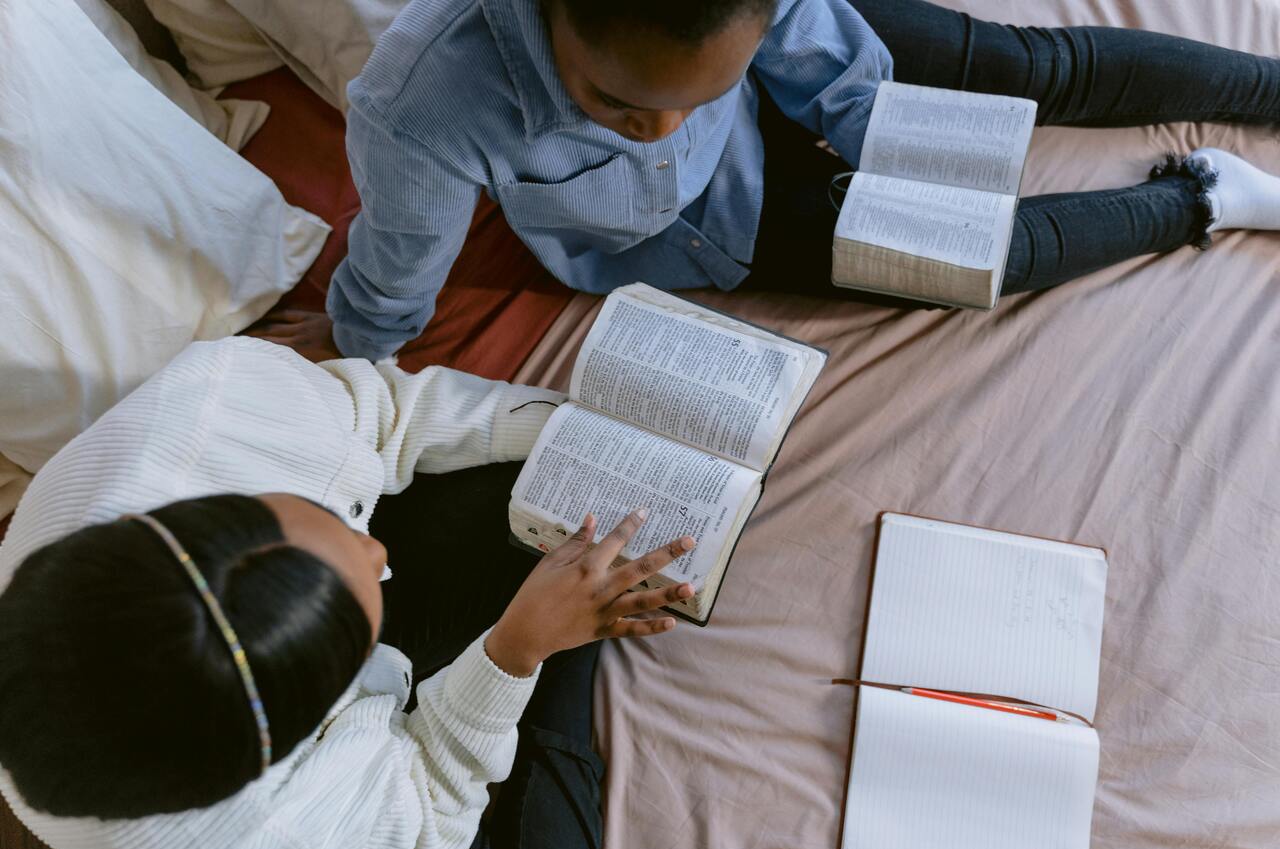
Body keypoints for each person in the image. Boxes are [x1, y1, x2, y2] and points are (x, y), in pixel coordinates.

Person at [251, 0, 1280, 363]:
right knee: (979, 257)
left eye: (695, 97)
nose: (660, 129)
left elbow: (822, 59)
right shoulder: (425, 102)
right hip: (701, 220)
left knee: (1024, 66)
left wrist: (889, 135)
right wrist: (352, 340)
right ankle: (1202, 200)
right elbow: (397, 265)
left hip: (817, 77)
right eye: (617, 105)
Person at [0, 336, 697, 849]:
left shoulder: (211, 409)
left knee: (543, 488)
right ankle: (560, 646)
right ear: (312, 724)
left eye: (332, 517)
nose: (377, 550)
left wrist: (560, 433)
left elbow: (385, 408)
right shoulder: (266, 830)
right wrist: (515, 653)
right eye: (358, 628)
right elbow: (430, 800)